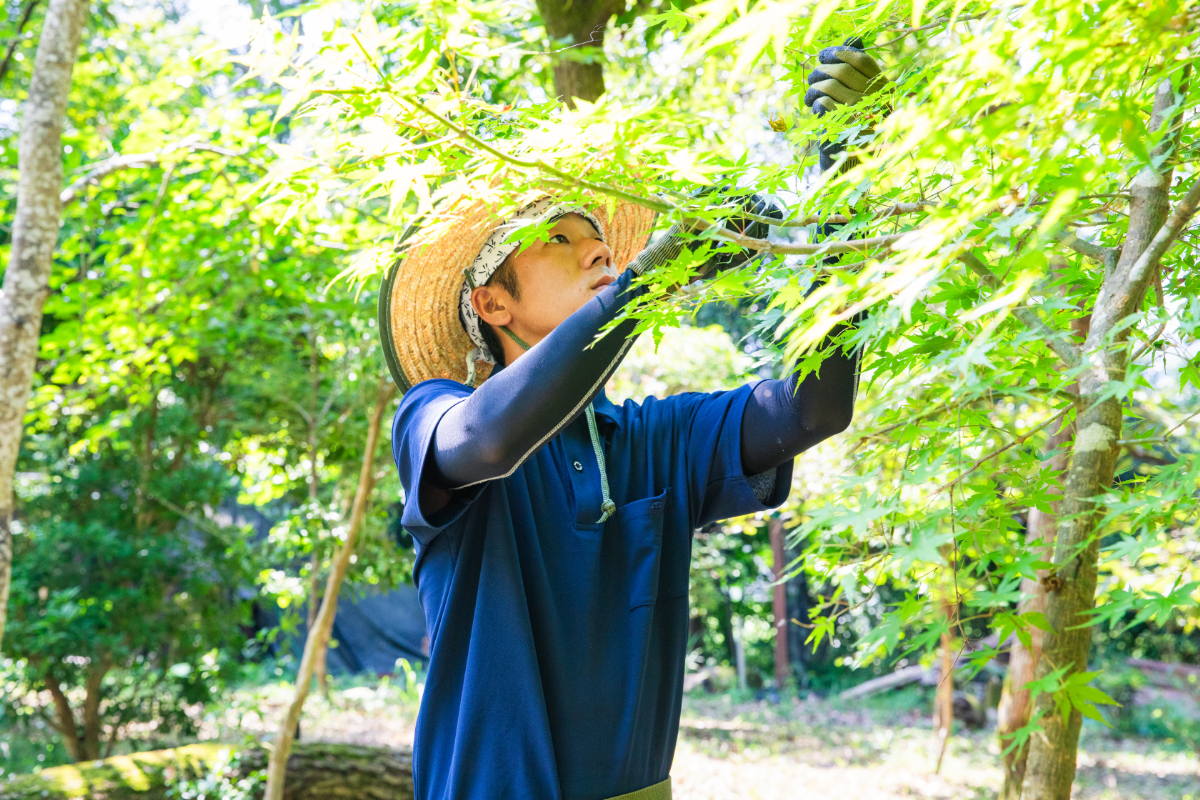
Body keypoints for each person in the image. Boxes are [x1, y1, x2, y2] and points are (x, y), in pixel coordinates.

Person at [377, 40, 885, 800]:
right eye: (559, 239)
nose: (598, 255)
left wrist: (845, 173)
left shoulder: (655, 440)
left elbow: (816, 407)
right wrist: (641, 291)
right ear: (493, 303)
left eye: (600, 244)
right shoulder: (433, 417)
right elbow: (490, 439)